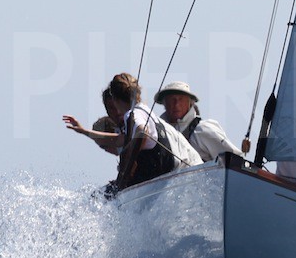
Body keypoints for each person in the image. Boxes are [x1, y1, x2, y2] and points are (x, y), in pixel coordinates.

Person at [64, 73, 200, 190]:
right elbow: (118, 139)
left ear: (115, 99)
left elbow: (142, 132)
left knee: (104, 194)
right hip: (180, 175)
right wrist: (84, 131)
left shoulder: (133, 114)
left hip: (181, 175)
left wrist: (127, 168)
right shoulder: (144, 110)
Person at [154, 80, 242, 162]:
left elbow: (234, 160)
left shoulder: (203, 129)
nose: (176, 104)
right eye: (172, 100)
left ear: (190, 103)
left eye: (181, 99)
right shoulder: (158, 135)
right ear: (164, 104)